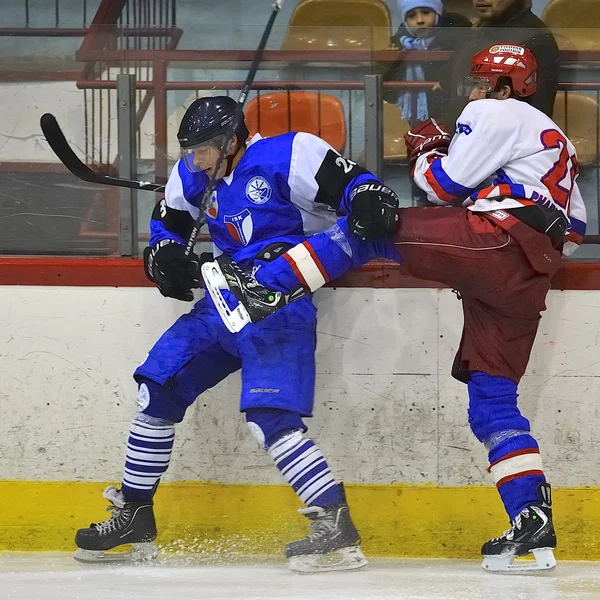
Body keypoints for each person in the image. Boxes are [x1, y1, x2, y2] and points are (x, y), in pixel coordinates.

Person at [205, 45, 587, 573]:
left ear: (503, 87)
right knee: (492, 398)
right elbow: (575, 233)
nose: (473, 94)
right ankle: (531, 523)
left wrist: (428, 151)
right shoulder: (558, 141)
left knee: (369, 226)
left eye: (481, 84)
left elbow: (441, 187)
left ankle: (266, 287)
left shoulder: (490, 113)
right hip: (530, 275)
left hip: (493, 241)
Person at [73, 96, 400, 572]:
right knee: (156, 390)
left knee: (269, 417)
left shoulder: (291, 153)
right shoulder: (194, 175)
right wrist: (163, 256)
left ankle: (334, 523)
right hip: (220, 301)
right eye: (189, 151)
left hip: (279, 305)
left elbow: (357, 187)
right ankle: (134, 514)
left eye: (204, 149)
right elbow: (170, 222)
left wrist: (371, 196)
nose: (195, 160)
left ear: (231, 140)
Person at [445, 0, 560, 124]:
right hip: (463, 136)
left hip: (499, 139)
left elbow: (536, 116)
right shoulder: (475, 32)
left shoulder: (534, 37)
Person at [383, 0, 471, 126]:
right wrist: (389, 63)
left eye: (426, 12)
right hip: (417, 125)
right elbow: (388, 95)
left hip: (453, 120)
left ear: (437, 14)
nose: (419, 20)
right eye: (411, 15)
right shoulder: (399, 47)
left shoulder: (459, 40)